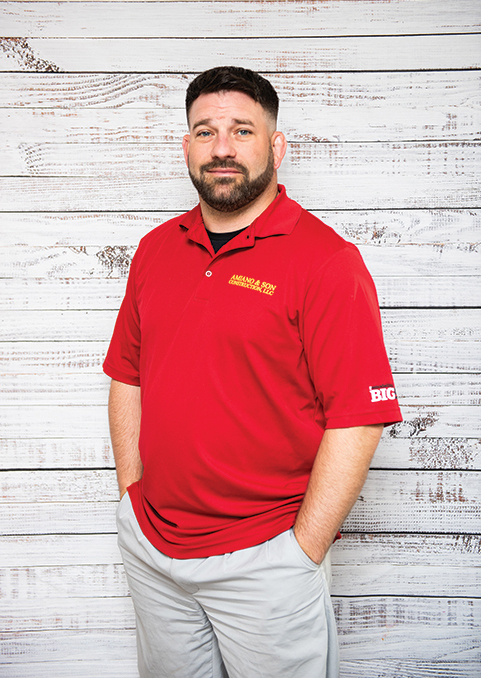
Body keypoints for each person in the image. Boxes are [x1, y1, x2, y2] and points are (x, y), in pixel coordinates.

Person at [103, 66, 402, 678]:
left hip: (266, 559)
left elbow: (358, 418)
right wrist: (133, 499)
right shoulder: (156, 249)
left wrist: (302, 551)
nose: (222, 148)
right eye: (205, 132)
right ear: (186, 146)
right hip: (154, 550)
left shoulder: (326, 261)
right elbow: (127, 376)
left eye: (242, 131)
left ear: (276, 145)